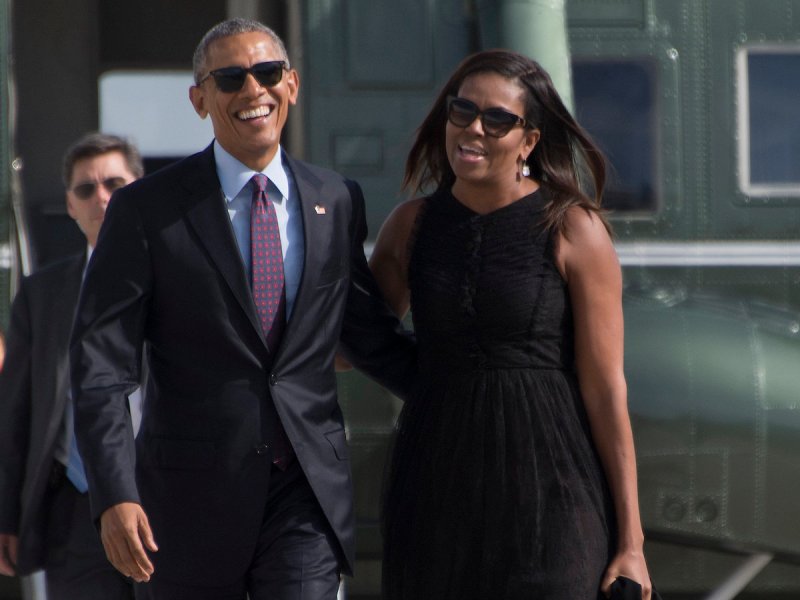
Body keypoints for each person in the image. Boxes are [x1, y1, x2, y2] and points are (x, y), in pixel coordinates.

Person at [69, 17, 416, 600]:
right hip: (186, 501)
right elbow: (101, 369)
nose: (253, 90)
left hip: (305, 492)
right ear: (200, 100)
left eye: (267, 73)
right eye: (230, 79)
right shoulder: (144, 210)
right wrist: (115, 492)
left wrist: (475, 387)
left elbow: (368, 334)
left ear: (293, 84)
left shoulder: (335, 197)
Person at [370, 49, 656, 599]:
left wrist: (631, 542)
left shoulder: (573, 228)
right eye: (463, 111)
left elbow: (604, 390)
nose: (474, 128)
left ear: (528, 141)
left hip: (552, 488)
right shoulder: (410, 227)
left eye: (497, 119)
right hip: (436, 485)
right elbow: (350, 342)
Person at [0, 132, 144, 599]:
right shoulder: (41, 296)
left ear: (140, 188)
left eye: (115, 183)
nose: (101, 197)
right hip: (74, 510)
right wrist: (7, 513)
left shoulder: (181, 278)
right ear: (69, 204)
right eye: (86, 188)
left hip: (165, 497)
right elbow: (15, 413)